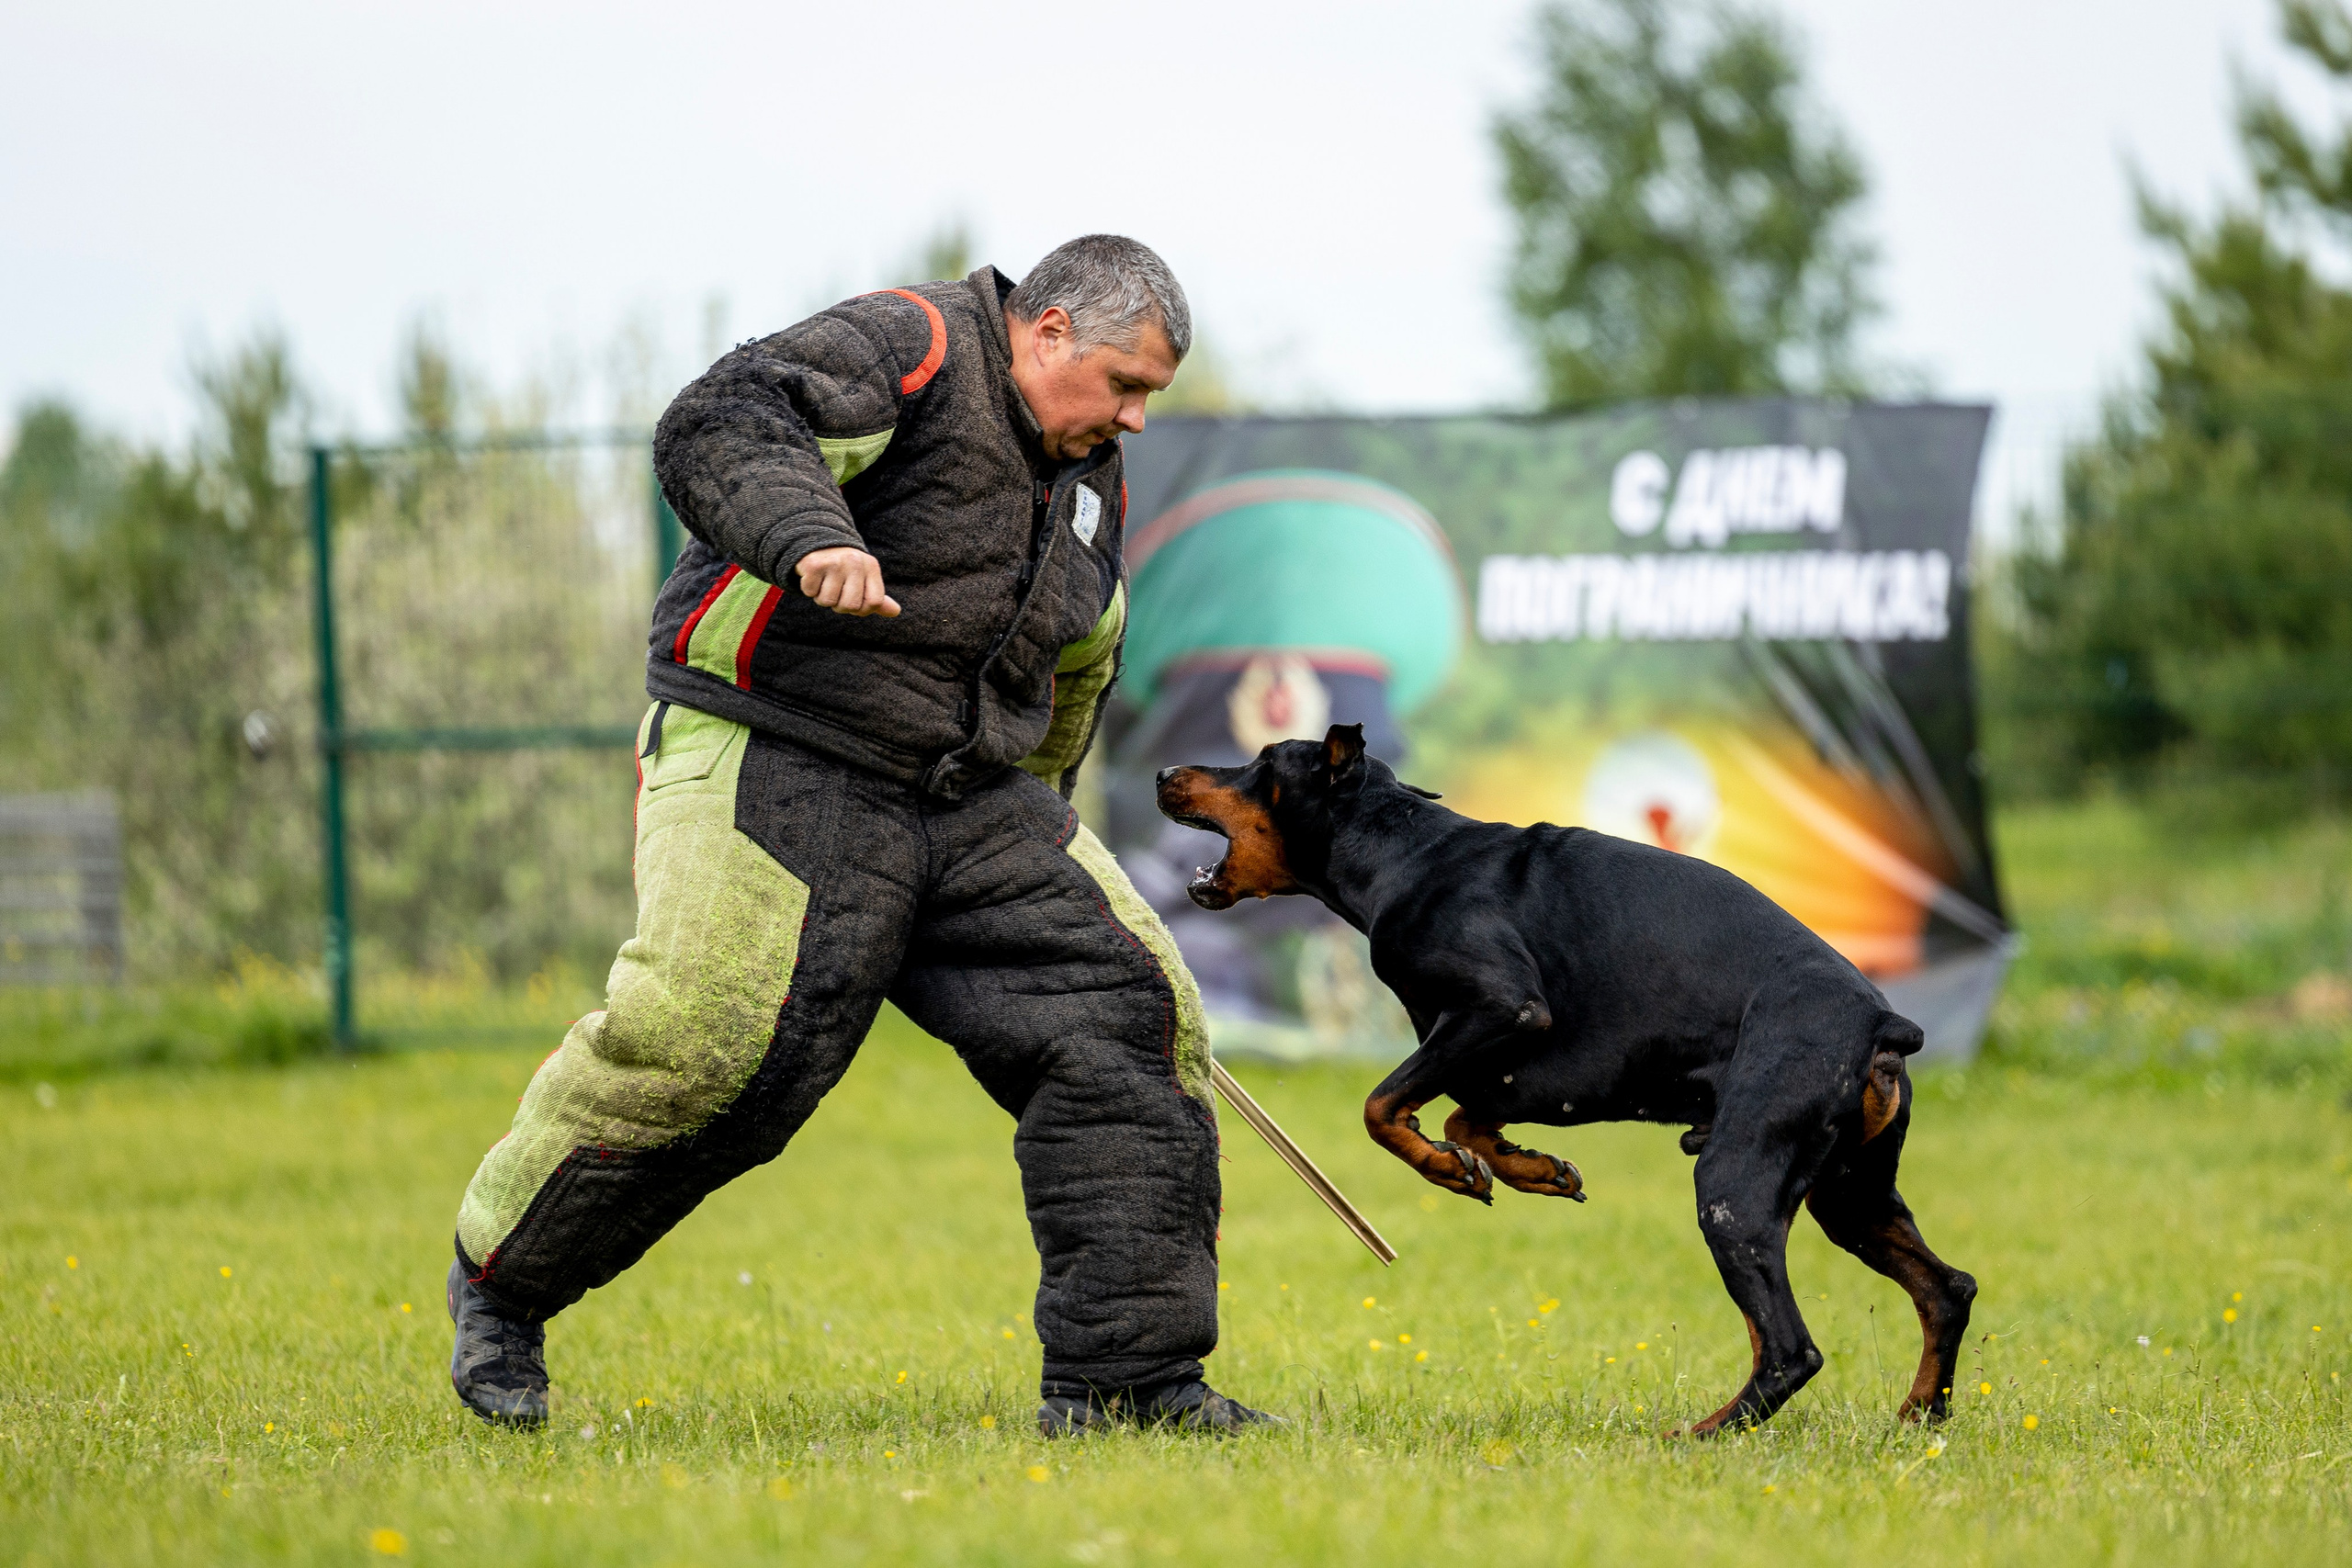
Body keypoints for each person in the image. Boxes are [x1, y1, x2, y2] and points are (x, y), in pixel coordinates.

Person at [444, 235, 1275, 1438]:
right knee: (724, 1041)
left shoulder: (1089, 477)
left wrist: (1045, 812)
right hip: (776, 741)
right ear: (1047, 332)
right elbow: (723, 420)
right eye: (1126, 385)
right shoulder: (914, 346)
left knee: (1129, 1011)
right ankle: (501, 1281)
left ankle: (1128, 1384)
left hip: (971, 794)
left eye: (1151, 396)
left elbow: (1080, 658)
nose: (1137, 419)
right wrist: (811, 537)